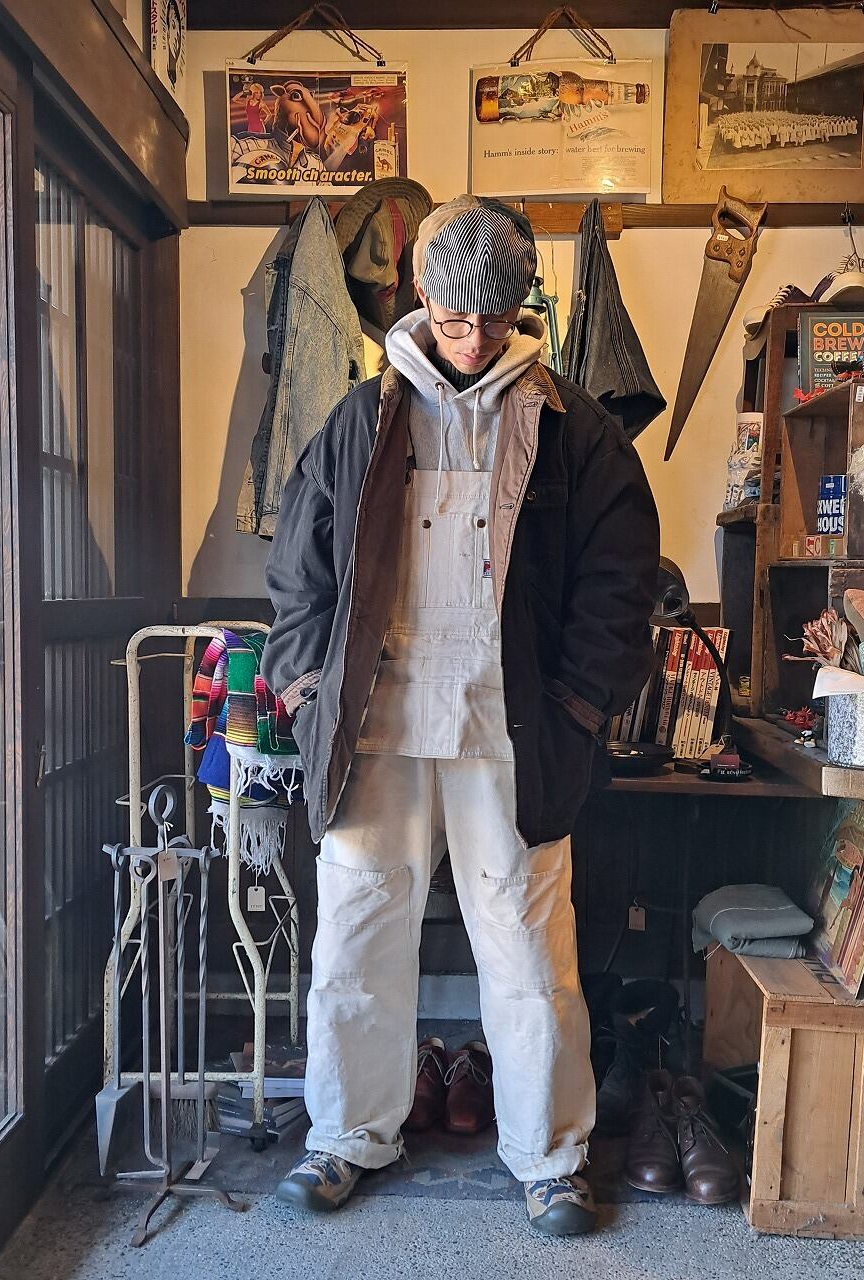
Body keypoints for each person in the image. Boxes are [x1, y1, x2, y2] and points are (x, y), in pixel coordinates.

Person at [261, 195, 659, 1235]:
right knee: (356, 939)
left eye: (492, 318)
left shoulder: (575, 429)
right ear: (421, 297)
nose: (473, 339)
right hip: (375, 726)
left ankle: (550, 1156)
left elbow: (621, 582)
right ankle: (346, 1135)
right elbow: (297, 574)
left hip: (512, 729)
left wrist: (578, 706)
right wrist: (304, 692)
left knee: (528, 951)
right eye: (452, 318)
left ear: (520, 306)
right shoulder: (359, 419)